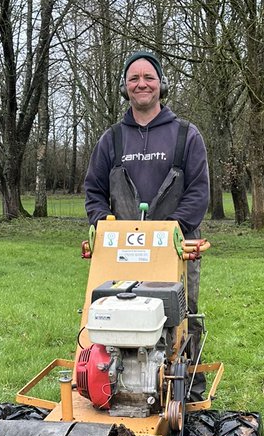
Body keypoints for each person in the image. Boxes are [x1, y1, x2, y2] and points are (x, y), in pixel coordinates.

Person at [84, 49, 210, 395]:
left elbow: (199, 192)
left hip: (175, 246)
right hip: (121, 250)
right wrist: (100, 222)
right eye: (134, 79)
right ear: (125, 87)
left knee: (181, 316)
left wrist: (172, 229)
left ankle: (189, 389)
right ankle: (112, 383)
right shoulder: (112, 139)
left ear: (161, 84)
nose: (142, 84)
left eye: (148, 77)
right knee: (113, 312)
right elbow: (93, 190)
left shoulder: (186, 135)